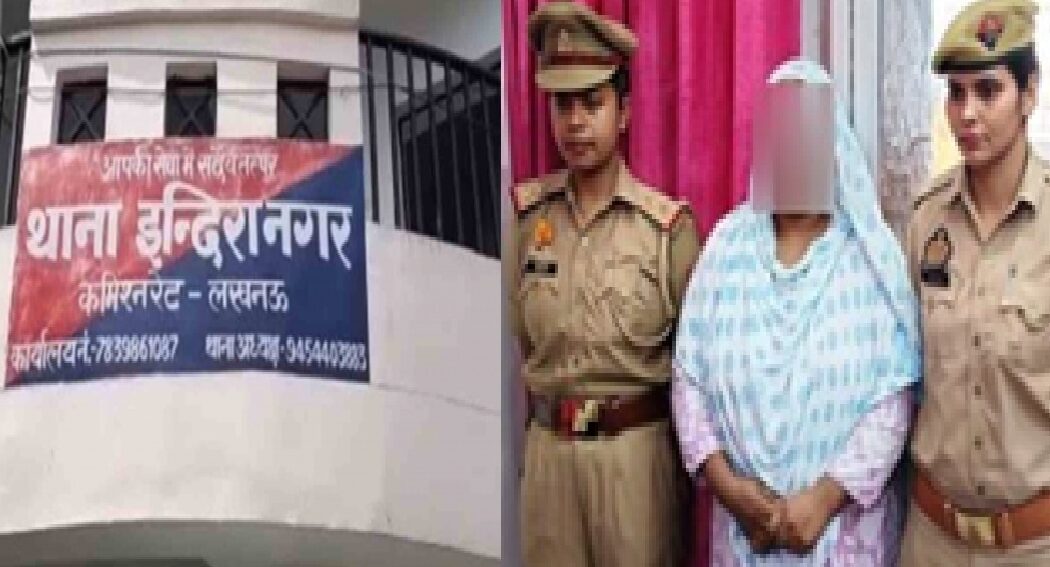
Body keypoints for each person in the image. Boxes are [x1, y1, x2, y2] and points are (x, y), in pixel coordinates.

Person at [673, 58, 920, 565]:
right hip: (743, 534)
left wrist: (824, 499)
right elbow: (687, 377)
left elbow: (895, 398)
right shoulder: (727, 246)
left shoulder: (868, 257)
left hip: (842, 536)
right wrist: (728, 487)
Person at [506, 2, 701, 566]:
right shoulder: (525, 222)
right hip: (550, 462)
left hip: (633, 461)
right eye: (562, 105)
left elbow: (695, 368)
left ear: (624, 113)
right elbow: (523, 333)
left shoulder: (666, 229)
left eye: (592, 103)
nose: (575, 122)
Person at [899, 0, 1050, 563]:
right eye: (956, 93)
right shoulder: (926, 221)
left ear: (1029, 93)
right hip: (932, 540)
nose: (967, 113)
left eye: (988, 91)